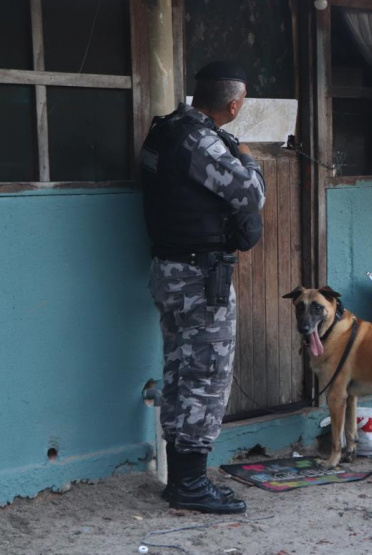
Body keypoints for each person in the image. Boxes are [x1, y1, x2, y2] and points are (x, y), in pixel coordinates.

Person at [140, 61, 266, 514]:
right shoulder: (201, 141)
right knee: (206, 377)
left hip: (169, 271)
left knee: (179, 373)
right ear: (234, 104)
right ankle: (190, 486)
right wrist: (248, 158)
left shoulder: (166, 130)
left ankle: (181, 481)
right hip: (199, 278)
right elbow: (249, 195)